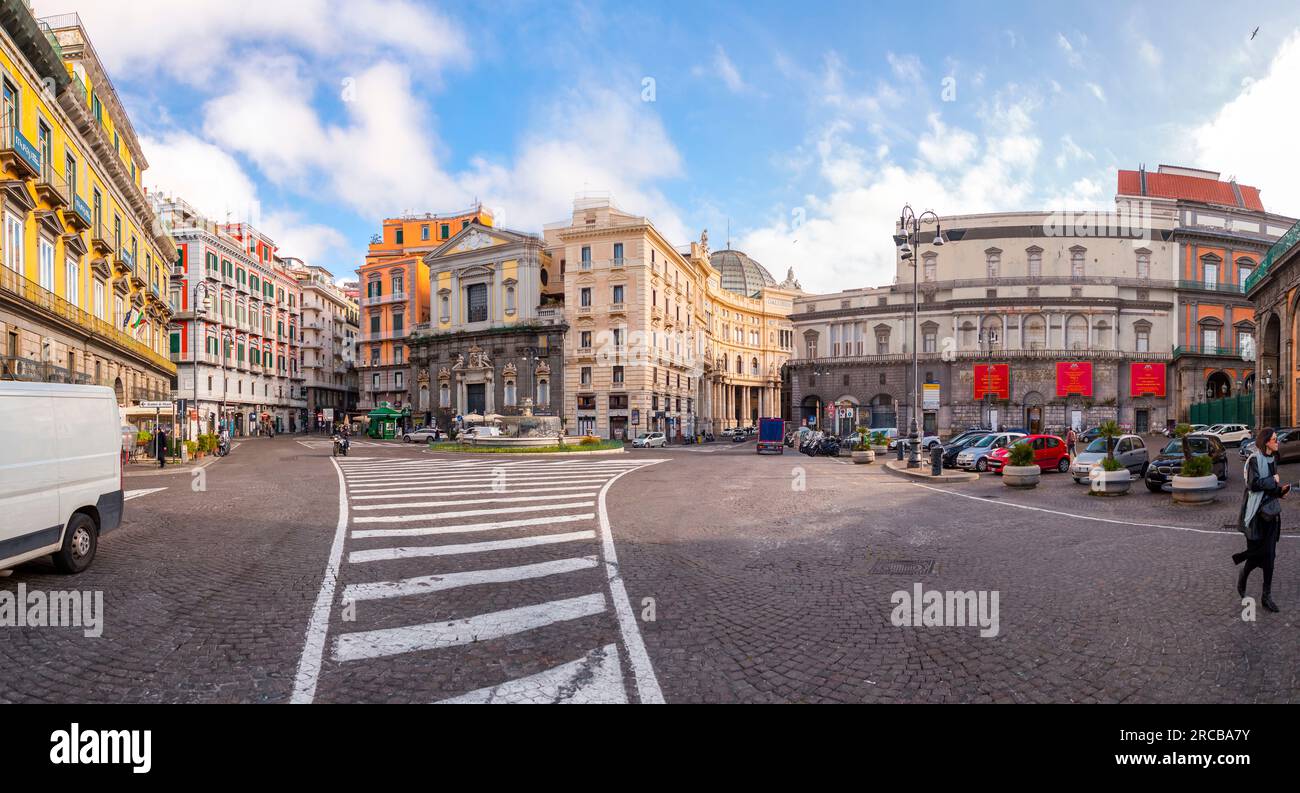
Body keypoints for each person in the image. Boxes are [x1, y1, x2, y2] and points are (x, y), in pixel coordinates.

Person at [1235, 426, 1287, 612]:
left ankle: (1266, 596)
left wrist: (1280, 491)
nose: (1277, 441)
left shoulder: (1273, 458)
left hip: (1271, 513)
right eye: (1274, 439)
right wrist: (1272, 481)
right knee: (1256, 555)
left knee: (1270, 557)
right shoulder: (1254, 460)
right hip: (1255, 514)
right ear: (1266, 442)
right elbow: (1254, 484)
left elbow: (1271, 486)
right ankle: (1244, 574)